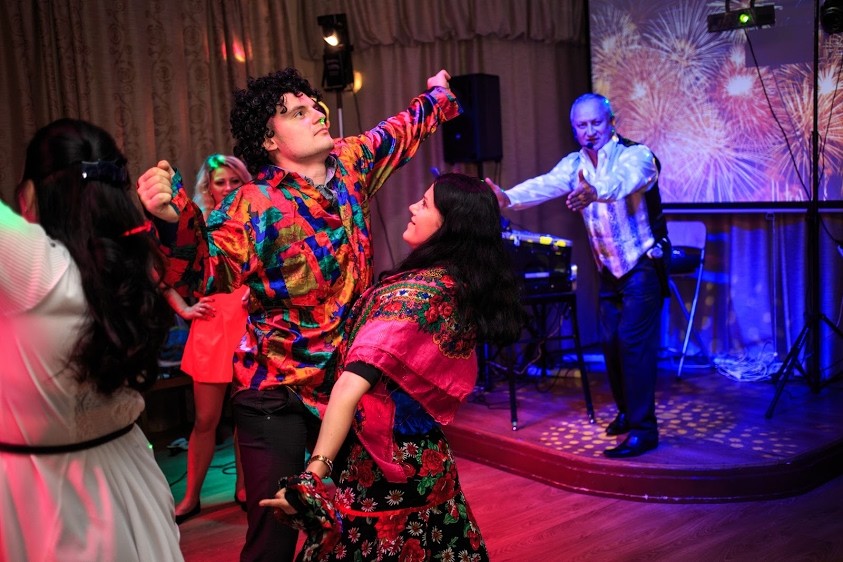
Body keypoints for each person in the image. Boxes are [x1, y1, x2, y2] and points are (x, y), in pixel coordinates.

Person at [136, 67, 460, 561]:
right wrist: (171, 220)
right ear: (269, 140)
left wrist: (437, 96)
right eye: (298, 112)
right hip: (275, 393)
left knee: (362, 523)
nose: (317, 115)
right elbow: (207, 270)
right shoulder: (252, 203)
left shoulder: (350, 163)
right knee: (274, 538)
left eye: (314, 106)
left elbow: (400, 130)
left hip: (346, 390)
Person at [260, 173, 524, 561]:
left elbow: (351, 386)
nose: (413, 207)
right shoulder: (457, 283)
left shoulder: (417, 295)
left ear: (450, 223)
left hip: (386, 467)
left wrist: (312, 476)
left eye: (425, 203)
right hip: (426, 458)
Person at [0, 118, 183, 561]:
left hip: (53, 498)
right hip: (133, 479)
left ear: (29, 195)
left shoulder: (35, 268)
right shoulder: (129, 265)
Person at [485, 93, 669, 459]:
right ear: (574, 130)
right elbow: (545, 184)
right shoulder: (575, 165)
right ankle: (627, 412)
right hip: (608, 270)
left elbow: (623, 182)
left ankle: (644, 430)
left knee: (632, 343)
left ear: (611, 123)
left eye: (596, 123)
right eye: (582, 126)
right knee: (611, 344)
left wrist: (594, 191)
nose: (590, 131)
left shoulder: (637, 156)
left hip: (642, 265)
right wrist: (506, 197)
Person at [164, 153, 252, 523]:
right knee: (205, 419)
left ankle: (244, 489)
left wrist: (261, 289)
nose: (228, 187)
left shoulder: (259, 216)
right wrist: (184, 309)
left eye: (235, 180)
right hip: (212, 325)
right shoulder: (196, 224)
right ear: (209, 187)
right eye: (221, 182)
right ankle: (190, 499)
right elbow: (162, 272)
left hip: (250, 324)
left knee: (248, 416)